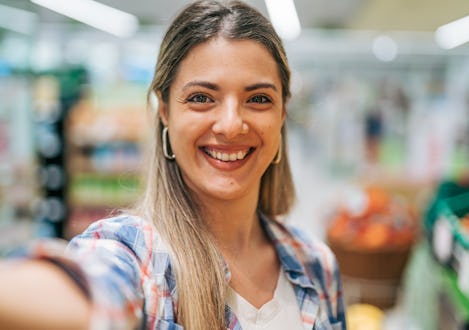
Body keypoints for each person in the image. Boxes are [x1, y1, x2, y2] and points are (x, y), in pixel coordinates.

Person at [0, 1, 346, 329]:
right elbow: (93, 288)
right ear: (165, 111)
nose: (230, 124)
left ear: (282, 114)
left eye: (258, 99)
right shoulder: (138, 255)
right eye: (201, 98)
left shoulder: (315, 264)